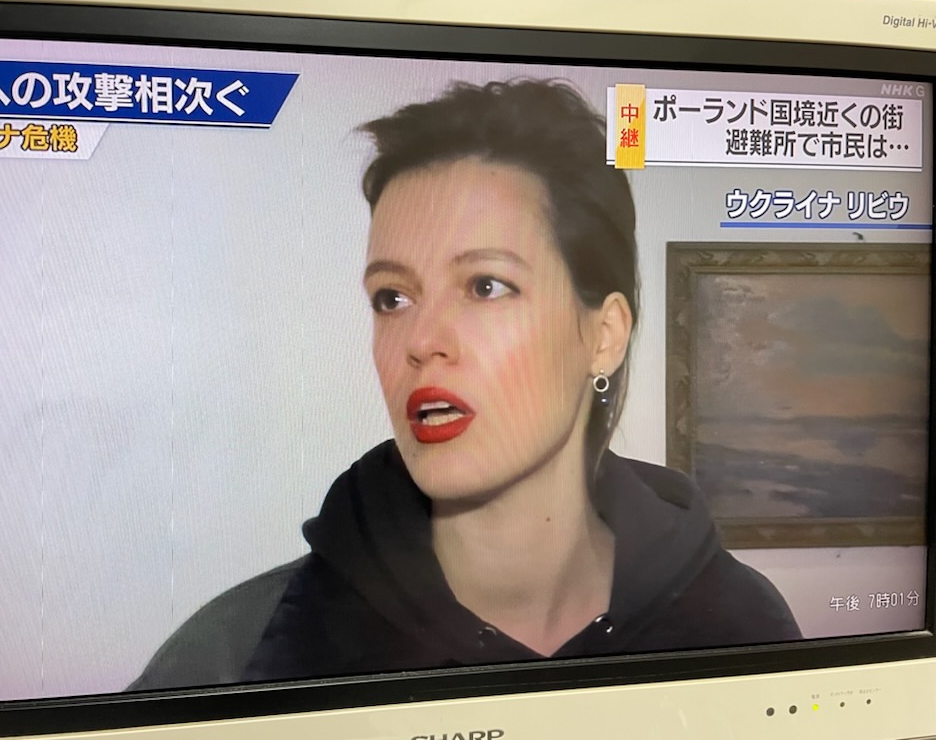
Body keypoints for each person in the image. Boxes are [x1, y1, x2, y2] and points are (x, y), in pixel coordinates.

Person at [130, 79, 799, 691]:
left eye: (485, 286)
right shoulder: (237, 654)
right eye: (392, 298)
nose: (421, 340)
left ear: (604, 335)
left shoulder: (742, 622)